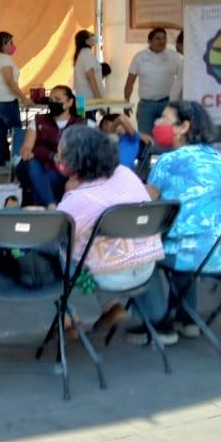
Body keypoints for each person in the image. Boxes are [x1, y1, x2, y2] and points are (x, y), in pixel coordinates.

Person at [144, 100, 221, 344]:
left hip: (206, 256)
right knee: (187, 238)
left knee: (143, 252)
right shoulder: (218, 157)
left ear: (183, 127)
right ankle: (187, 319)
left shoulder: (168, 161)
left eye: (164, 119)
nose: (157, 124)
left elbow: (145, 204)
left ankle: (159, 324)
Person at [56, 127, 168, 338]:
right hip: (146, 268)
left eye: (60, 153)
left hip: (108, 277)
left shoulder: (78, 199)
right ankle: (109, 306)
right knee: (95, 245)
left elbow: (60, 233)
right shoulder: (126, 174)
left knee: (53, 250)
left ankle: (69, 317)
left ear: (72, 159)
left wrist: (65, 197)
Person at [16, 85, 86, 208]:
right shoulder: (39, 120)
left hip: (63, 169)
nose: (52, 102)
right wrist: (27, 152)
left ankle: (48, 207)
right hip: (38, 165)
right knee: (33, 164)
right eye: (51, 100)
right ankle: (52, 206)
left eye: (57, 99)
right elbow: (26, 148)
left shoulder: (80, 124)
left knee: (42, 180)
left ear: (69, 102)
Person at [0, 31, 35, 170]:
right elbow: (10, 82)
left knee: (1, 132)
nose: (13, 45)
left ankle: (2, 162)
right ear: (3, 44)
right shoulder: (4, 59)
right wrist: (24, 98)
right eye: (10, 43)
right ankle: (18, 162)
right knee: (16, 132)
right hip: (6, 102)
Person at [124, 28, 181, 135]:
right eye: (158, 38)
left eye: (164, 38)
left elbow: (183, 78)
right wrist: (126, 102)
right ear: (149, 41)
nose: (162, 41)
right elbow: (130, 81)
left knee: (168, 137)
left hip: (168, 104)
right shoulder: (139, 57)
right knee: (145, 138)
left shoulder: (174, 56)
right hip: (146, 106)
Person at [72, 30, 103, 106]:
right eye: (90, 35)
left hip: (81, 100)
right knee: (86, 114)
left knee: (81, 113)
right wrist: (99, 101)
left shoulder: (81, 54)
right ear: (86, 41)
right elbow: (90, 78)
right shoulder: (86, 53)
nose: (93, 36)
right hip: (89, 101)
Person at [170, 30, 185, 101]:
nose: (175, 45)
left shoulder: (188, 64)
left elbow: (180, 87)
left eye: (177, 42)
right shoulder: (184, 62)